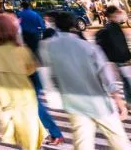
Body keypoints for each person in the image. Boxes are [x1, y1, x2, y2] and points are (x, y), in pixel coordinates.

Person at [40, 11, 131, 150]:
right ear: (73, 26)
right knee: (118, 139)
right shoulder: (88, 47)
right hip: (98, 101)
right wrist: (119, 101)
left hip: (74, 104)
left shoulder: (47, 47)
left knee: (82, 144)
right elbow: (106, 76)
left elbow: (51, 78)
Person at [0, 12, 45, 150]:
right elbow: (31, 71)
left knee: (20, 139)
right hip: (24, 101)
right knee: (31, 143)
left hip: (3, 103)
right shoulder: (21, 50)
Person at [95, 5, 131, 104]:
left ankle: (129, 102)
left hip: (121, 59)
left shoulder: (113, 26)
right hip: (121, 60)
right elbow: (119, 45)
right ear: (112, 14)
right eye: (118, 12)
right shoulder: (112, 28)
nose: (120, 14)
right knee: (128, 81)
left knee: (126, 82)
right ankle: (128, 102)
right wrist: (126, 59)